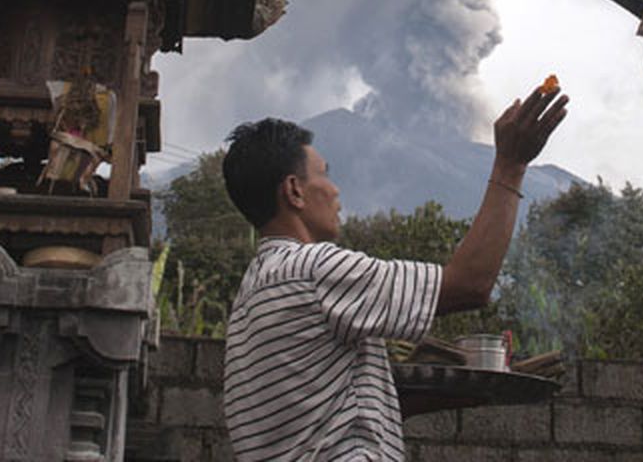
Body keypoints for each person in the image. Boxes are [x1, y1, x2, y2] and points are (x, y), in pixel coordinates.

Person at [220, 85, 569, 460]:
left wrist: (476, 388)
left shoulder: (254, 292)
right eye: (325, 175)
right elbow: (470, 284)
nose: (336, 190)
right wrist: (510, 166)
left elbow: (338, 406)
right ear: (295, 191)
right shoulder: (315, 269)